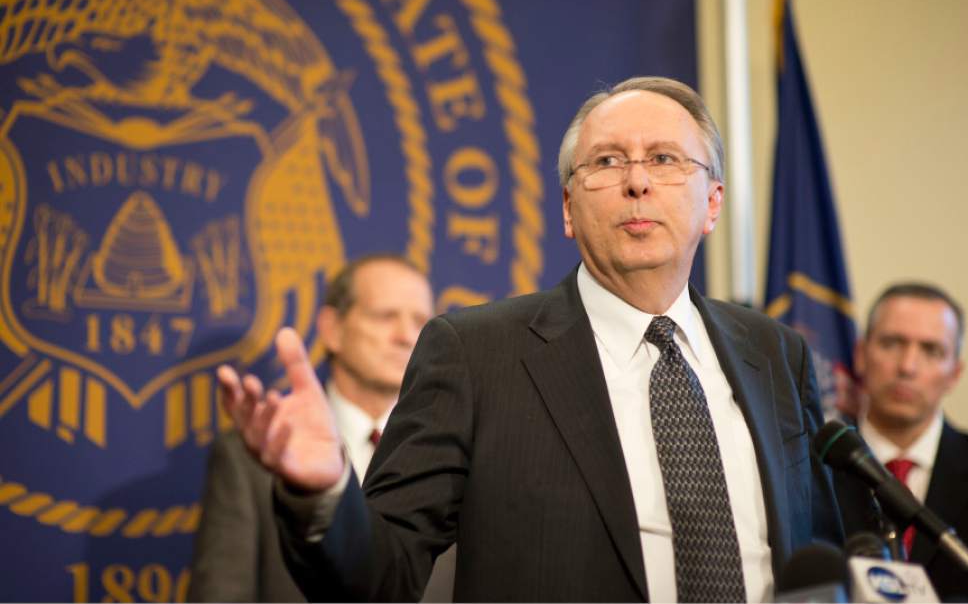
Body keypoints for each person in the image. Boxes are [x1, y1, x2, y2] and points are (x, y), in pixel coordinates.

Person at [218, 76, 843, 602]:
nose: (637, 182)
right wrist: (324, 491)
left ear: (712, 203)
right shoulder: (474, 354)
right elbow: (382, 575)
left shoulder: (775, 354)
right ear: (569, 209)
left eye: (664, 159)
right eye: (606, 162)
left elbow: (824, 556)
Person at [188, 254, 455, 602]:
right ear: (332, 329)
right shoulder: (258, 454)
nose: (407, 336)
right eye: (385, 316)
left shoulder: (456, 451)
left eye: (421, 321)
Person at [834, 282, 967, 600]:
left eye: (931, 350)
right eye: (892, 343)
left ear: (954, 373)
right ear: (861, 355)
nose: (907, 367)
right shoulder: (813, 467)